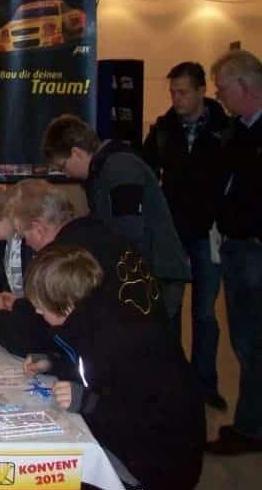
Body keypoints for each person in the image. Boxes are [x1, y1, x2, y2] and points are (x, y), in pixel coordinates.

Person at [22, 245, 204, 490]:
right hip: (141, 449)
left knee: (47, 487)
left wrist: (87, 402)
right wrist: (53, 364)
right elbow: (94, 372)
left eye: (40, 306)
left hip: (155, 472)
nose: (37, 312)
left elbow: (146, 414)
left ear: (67, 303)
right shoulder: (99, 319)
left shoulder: (116, 339)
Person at [0, 179, 168, 358]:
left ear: (38, 228)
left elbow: (43, 338)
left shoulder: (65, 257)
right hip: (154, 350)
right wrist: (20, 304)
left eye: (24, 235)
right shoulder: (97, 233)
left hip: (126, 367)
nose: (27, 244)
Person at [42, 114, 191, 333]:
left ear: (76, 152)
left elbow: (128, 229)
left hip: (157, 273)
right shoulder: (105, 168)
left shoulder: (120, 167)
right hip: (145, 272)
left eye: (63, 167)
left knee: (157, 344)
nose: (66, 174)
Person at [142, 61, 231, 410]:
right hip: (172, 234)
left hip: (208, 232)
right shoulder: (163, 130)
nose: (176, 98)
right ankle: (175, 379)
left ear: (200, 91)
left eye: (182, 92)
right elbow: (146, 171)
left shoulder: (225, 130)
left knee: (205, 314)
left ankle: (205, 382)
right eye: (172, 92)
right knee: (170, 309)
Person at [204, 50, 262, 455]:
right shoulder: (239, 130)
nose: (219, 96)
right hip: (237, 246)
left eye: (223, 89)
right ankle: (250, 421)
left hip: (253, 249)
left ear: (244, 86)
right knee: (246, 341)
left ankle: (251, 428)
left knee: (253, 341)